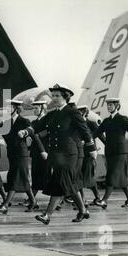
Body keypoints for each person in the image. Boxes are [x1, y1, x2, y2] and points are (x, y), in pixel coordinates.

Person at [35, 84, 97, 225]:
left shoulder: (72, 112)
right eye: (53, 96)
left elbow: (85, 130)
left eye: (57, 96)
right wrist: (27, 131)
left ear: (65, 97)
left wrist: (91, 147)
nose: (54, 98)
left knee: (63, 181)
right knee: (61, 183)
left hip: (70, 154)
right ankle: (82, 210)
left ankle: (47, 215)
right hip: (57, 155)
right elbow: (37, 125)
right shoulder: (53, 113)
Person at [93, 98, 128, 209]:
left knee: (112, 175)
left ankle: (104, 200)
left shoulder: (123, 119)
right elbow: (97, 133)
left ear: (117, 106)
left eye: (111, 105)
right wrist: (86, 140)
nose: (109, 107)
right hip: (110, 152)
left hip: (120, 152)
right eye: (108, 105)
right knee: (121, 176)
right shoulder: (106, 121)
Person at [0, 99, 37, 214]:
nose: (7, 109)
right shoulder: (6, 122)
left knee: (15, 178)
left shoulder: (24, 120)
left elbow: (31, 130)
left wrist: (25, 132)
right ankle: (33, 202)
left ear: (16, 108)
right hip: (12, 154)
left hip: (21, 153)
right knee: (22, 178)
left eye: (9, 107)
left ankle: (5, 205)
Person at [77, 105, 104, 205]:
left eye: (80, 111)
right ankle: (83, 200)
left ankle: (97, 197)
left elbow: (101, 136)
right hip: (79, 154)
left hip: (89, 154)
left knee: (88, 176)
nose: (78, 113)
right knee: (79, 176)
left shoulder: (91, 124)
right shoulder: (76, 124)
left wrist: (108, 146)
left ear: (84, 112)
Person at [29, 101, 50, 202]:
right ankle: (32, 199)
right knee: (36, 175)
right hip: (36, 152)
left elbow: (48, 133)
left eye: (36, 108)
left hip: (45, 152)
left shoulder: (48, 121)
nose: (34, 110)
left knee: (46, 175)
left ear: (43, 109)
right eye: (34, 108)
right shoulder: (34, 122)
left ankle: (58, 200)